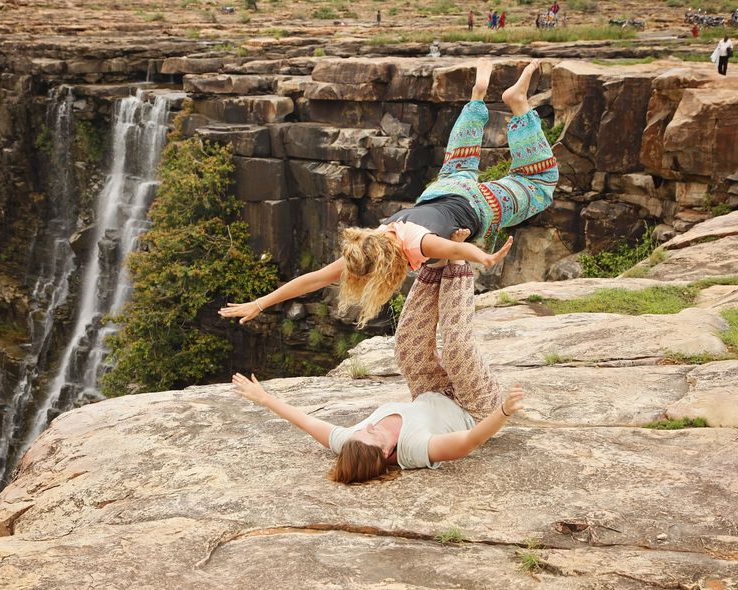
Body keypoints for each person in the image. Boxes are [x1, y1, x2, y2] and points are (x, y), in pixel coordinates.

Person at [219, 60, 558, 328]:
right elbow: (312, 280)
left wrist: (482, 257)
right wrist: (260, 303)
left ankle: (516, 104)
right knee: (462, 160)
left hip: (482, 205)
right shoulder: (379, 236)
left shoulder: (417, 245)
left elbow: (451, 247)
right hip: (444, 189)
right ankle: (477, 96)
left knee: (541, 183)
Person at [231, 260, 526, 483]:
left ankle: (435, 265)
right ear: (386, 454)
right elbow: (469, 441)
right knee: (456, 350)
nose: (367, 427)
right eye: (372, 434)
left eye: (360, 431)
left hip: (431, 391)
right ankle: (458, 264)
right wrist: (503, 411)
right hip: (474, 406)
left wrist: (264, 398)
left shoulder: (354, 442)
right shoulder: (414, 449)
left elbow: (308, 422)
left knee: (406, 348)